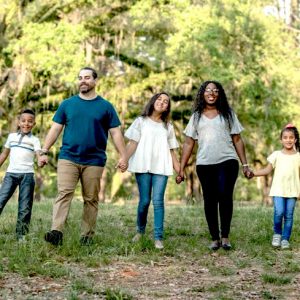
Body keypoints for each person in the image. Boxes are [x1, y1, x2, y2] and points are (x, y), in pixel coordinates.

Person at [39, 67, 127, 246]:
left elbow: (116, 133)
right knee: (64, 193)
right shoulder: (67, 104)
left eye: (87, 78)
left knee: (91, 199)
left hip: (94, 160)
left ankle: (87, 236)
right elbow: (55, 128)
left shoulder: (106, 106)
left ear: (95, 81)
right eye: (80, 78)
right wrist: (44, 151)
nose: (83, 81)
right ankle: (56, 231)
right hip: (68, 157)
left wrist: (123, 156)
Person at [177, 80, 252, 250]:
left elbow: (238, 140)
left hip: (228, 161)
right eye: (208, 90)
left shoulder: (228, 114)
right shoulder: (196, 116)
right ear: (202, 94)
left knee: (225, 196)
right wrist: (181, 168)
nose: (211, 93)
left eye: (215, 90)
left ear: (219, 94)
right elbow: (189, 143)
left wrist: (245, 164)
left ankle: (225, 237)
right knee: (210, 200)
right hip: (204, 163)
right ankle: (214, 238)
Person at [124, 92, 179, 249]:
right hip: (143, 165)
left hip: (161, 166)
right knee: (144, 201)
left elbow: (172, 150)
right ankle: (140, 231)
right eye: (159, 99)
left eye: (166, 101)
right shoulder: (140, 121)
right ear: (153, 101)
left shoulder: (168, 126)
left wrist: (179, 170)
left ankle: (158, 238)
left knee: (158, 201)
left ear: (167, 107)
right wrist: (124, 160)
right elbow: (132, 144)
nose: (162, 102)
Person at [251, 124, 300, 249]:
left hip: (293, 191)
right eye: (285, 137)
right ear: (281, 140)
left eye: (291, 137)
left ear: (295, 140)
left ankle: (285, 239)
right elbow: (267, 170)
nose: (288, 140)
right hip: (278, 189)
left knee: (289, 215)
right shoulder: (276, 155)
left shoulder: (298, 156)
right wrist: (253, 173)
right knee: (279, 212)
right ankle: (277, 234)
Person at [0, 109, 42, 241]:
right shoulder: (11, 137)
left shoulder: (35, 140)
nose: (26, 123)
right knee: (1, 200)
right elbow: (4, 154)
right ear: (19, 122)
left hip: (27, 176)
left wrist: (41, 159)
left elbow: (39, 154)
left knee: (25, 206)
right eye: (23, 121)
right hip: (11, 174)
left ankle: (21, 235)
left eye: (30, 121)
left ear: (34, 124)